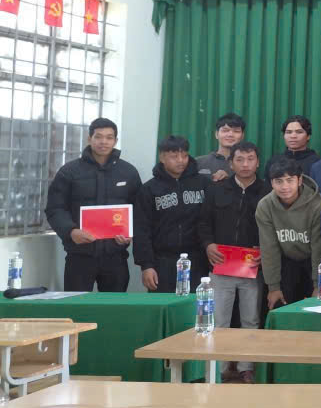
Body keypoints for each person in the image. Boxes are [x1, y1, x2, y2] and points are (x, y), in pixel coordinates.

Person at [198, 141, 269, 382]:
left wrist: (265, 250)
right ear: (231, 163)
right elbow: (203, 222)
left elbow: (273, 227)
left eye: (250, 159)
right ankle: (216, 368)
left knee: (251, 319)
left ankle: (246, 367)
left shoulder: (268, 191)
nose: (245, 164)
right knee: (218, 320)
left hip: (252, 267)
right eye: (240, 159)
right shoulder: (216, 189)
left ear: (258, 162)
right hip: (221, 264)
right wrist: (208, 245)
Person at [45, 116, 141, 292]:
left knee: (115, 305)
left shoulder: (128, 172)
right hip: (79, 256)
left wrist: (130, 233)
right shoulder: (69, 172)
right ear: (89, 139)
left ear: (115, 141)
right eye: (98, 137)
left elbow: (140, 210)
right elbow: (55, 208)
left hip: (116, 256)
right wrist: (71, 231)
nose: (104, 142)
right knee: (76, 305)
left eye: (109, 137)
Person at [133, 135, 211, 292]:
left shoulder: (203, 184)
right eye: (174, 156)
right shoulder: (149, 189)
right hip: (162, 262)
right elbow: (141, 229)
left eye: (185, 155)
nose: (181, 161)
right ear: (162, 158)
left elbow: (211, 221)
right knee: (161, 304)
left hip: (198, 260)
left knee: (194, 305)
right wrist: (146, 265)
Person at [257, 158, 321, 308]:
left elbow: (319, 248)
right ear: (271, 183)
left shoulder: (318, 203)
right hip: (286, 262)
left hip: (312, 262)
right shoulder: (265, 206)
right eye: (279, 181)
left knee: (315, 308)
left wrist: (319, 285)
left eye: (290, 180)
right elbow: (269, 248)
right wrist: (273, 288)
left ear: (299, 180)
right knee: (280, 305)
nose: (285, 187)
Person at [196, 112, 246, 181]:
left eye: (236, 131)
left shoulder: (247, 164)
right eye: (225, 130)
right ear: (216, 134)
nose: (230, 134)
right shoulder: (198, 162)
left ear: (242, 136)